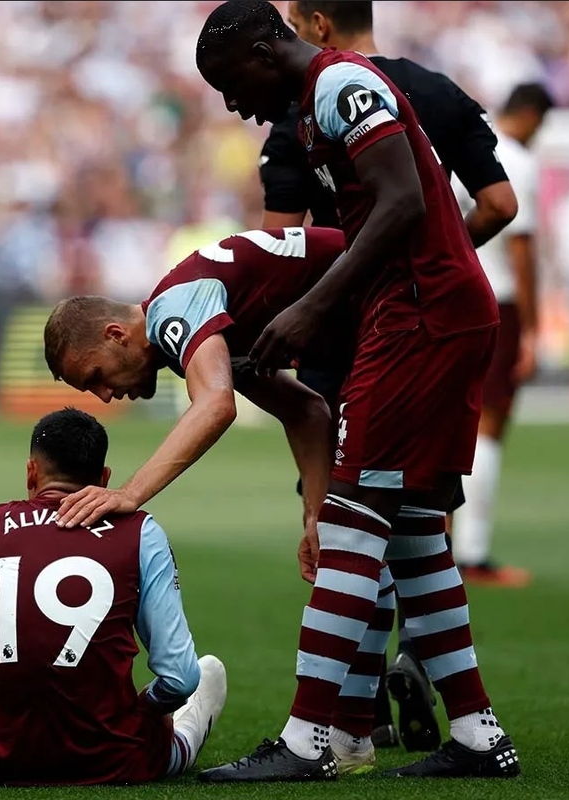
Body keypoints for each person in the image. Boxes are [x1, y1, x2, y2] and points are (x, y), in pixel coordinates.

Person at [185, 0, 518, 780]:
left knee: (348, 517)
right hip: (423, 310)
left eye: (232, 84)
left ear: (268, 50)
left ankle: (309, 742)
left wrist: (314, 304)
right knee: (407, 532)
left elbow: (401, 201)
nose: (234, 106)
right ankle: (475, 734)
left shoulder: (342, 86)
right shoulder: (314, 107)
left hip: (418, 315)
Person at [45, 225, 401, 777]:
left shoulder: (173, 309)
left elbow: (216, 405)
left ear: (117, 334)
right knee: (384, 534)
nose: (106, 396)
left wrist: (128, 493)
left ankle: (358, 737)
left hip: (408, 312)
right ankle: (370, 734)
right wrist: (313, 512)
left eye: (95, 377)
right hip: (398, 317)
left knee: (400, 535)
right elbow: (306, 411)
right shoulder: (213, 322)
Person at [0, 407, 228, 786]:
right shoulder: (141, 532)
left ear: (31, 472)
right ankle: (173, 741)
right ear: (105, 478)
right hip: (117, 761)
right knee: (205, 674)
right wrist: (146, 709)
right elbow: (180, 679)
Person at [451, 83, 554, 586]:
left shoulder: (464, 142)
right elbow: (520, 249)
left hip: (454, 297)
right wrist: (533, 330)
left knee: (449, 422)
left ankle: (441, 540)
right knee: (490, 424)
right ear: (533, 116)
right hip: (499, 301)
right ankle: (472, 552)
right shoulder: (516, 159)